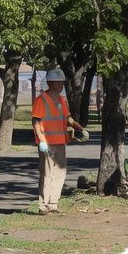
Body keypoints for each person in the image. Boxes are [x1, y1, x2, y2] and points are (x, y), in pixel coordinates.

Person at [31, 69, 87, 214]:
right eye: (60, 82)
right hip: (47, 143)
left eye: (62, 82)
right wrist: (42, 141)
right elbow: (36, 122)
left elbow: (67, 118)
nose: (62, 84)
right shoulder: (41, 100)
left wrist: (78, 127)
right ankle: (43, 205)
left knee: (60, 172)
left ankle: (53, 203)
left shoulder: (62, 100)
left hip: (60, 142)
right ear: (51, 83)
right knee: (47, 173)